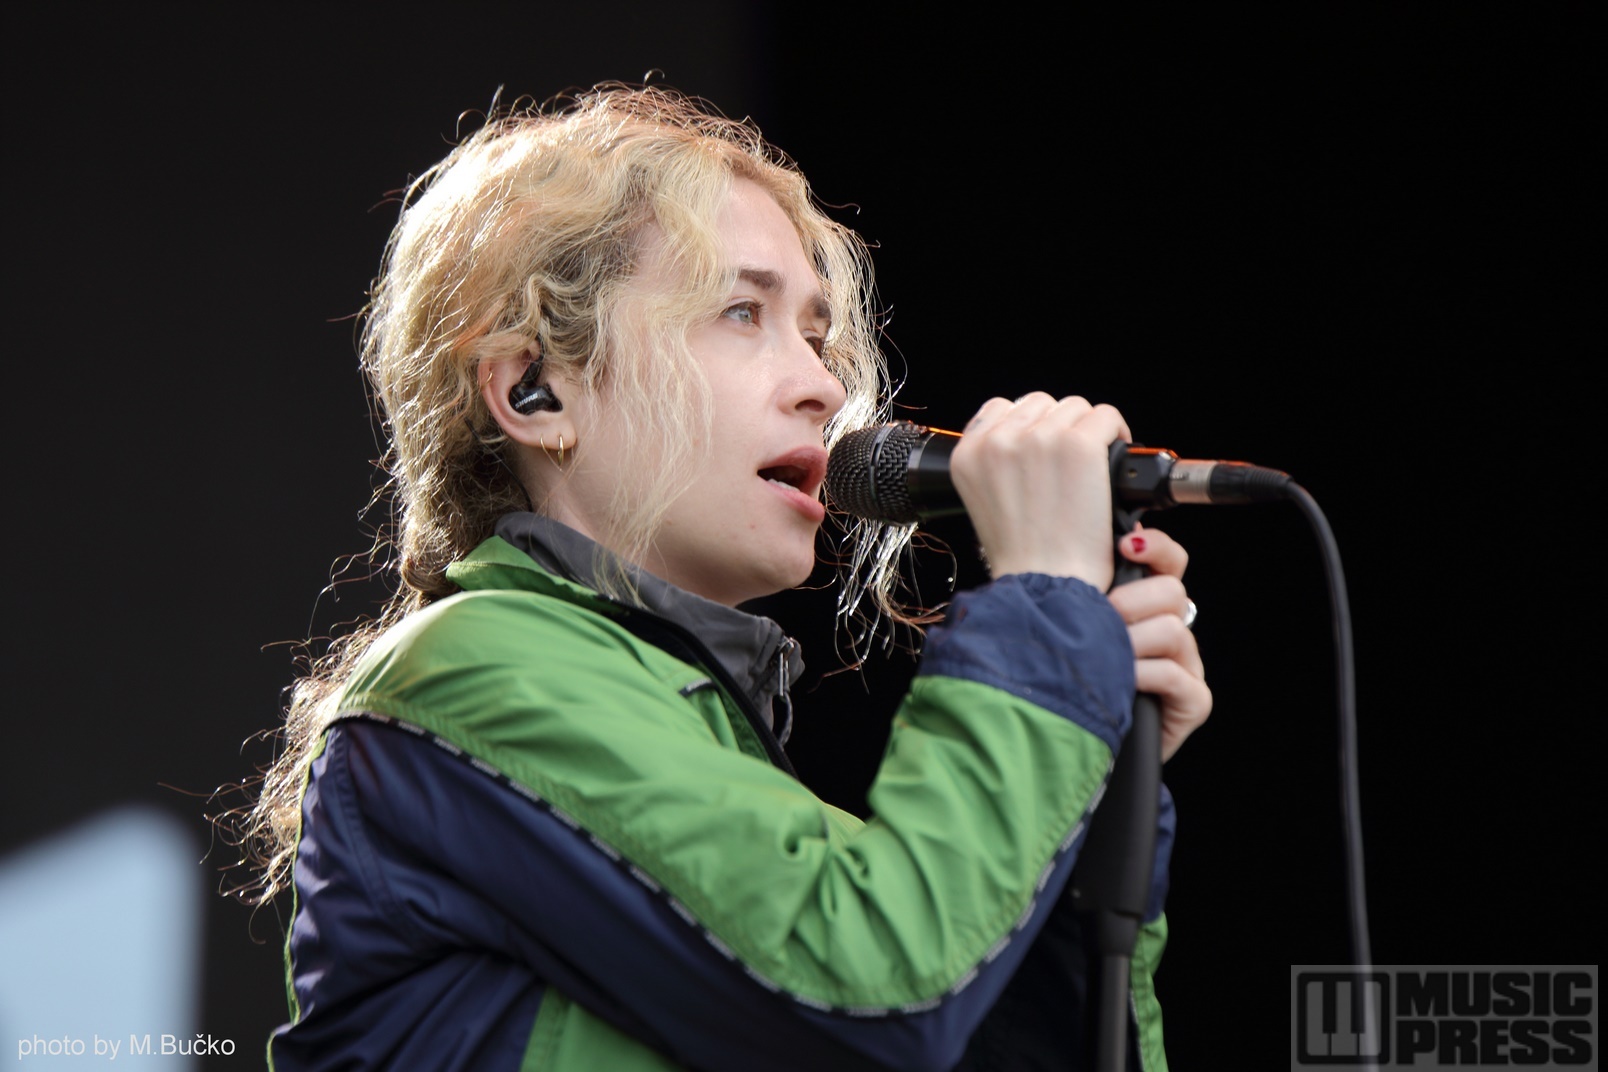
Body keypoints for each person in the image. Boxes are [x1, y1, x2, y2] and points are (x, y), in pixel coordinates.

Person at [243, 85, 1211, 1071]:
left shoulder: (772, 807)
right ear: (535, 389)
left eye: (817, 337)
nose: (824, 387)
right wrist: (1041, 614)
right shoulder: (473, 667)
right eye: (742, 311)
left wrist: (1086, 777)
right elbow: (875, 988)